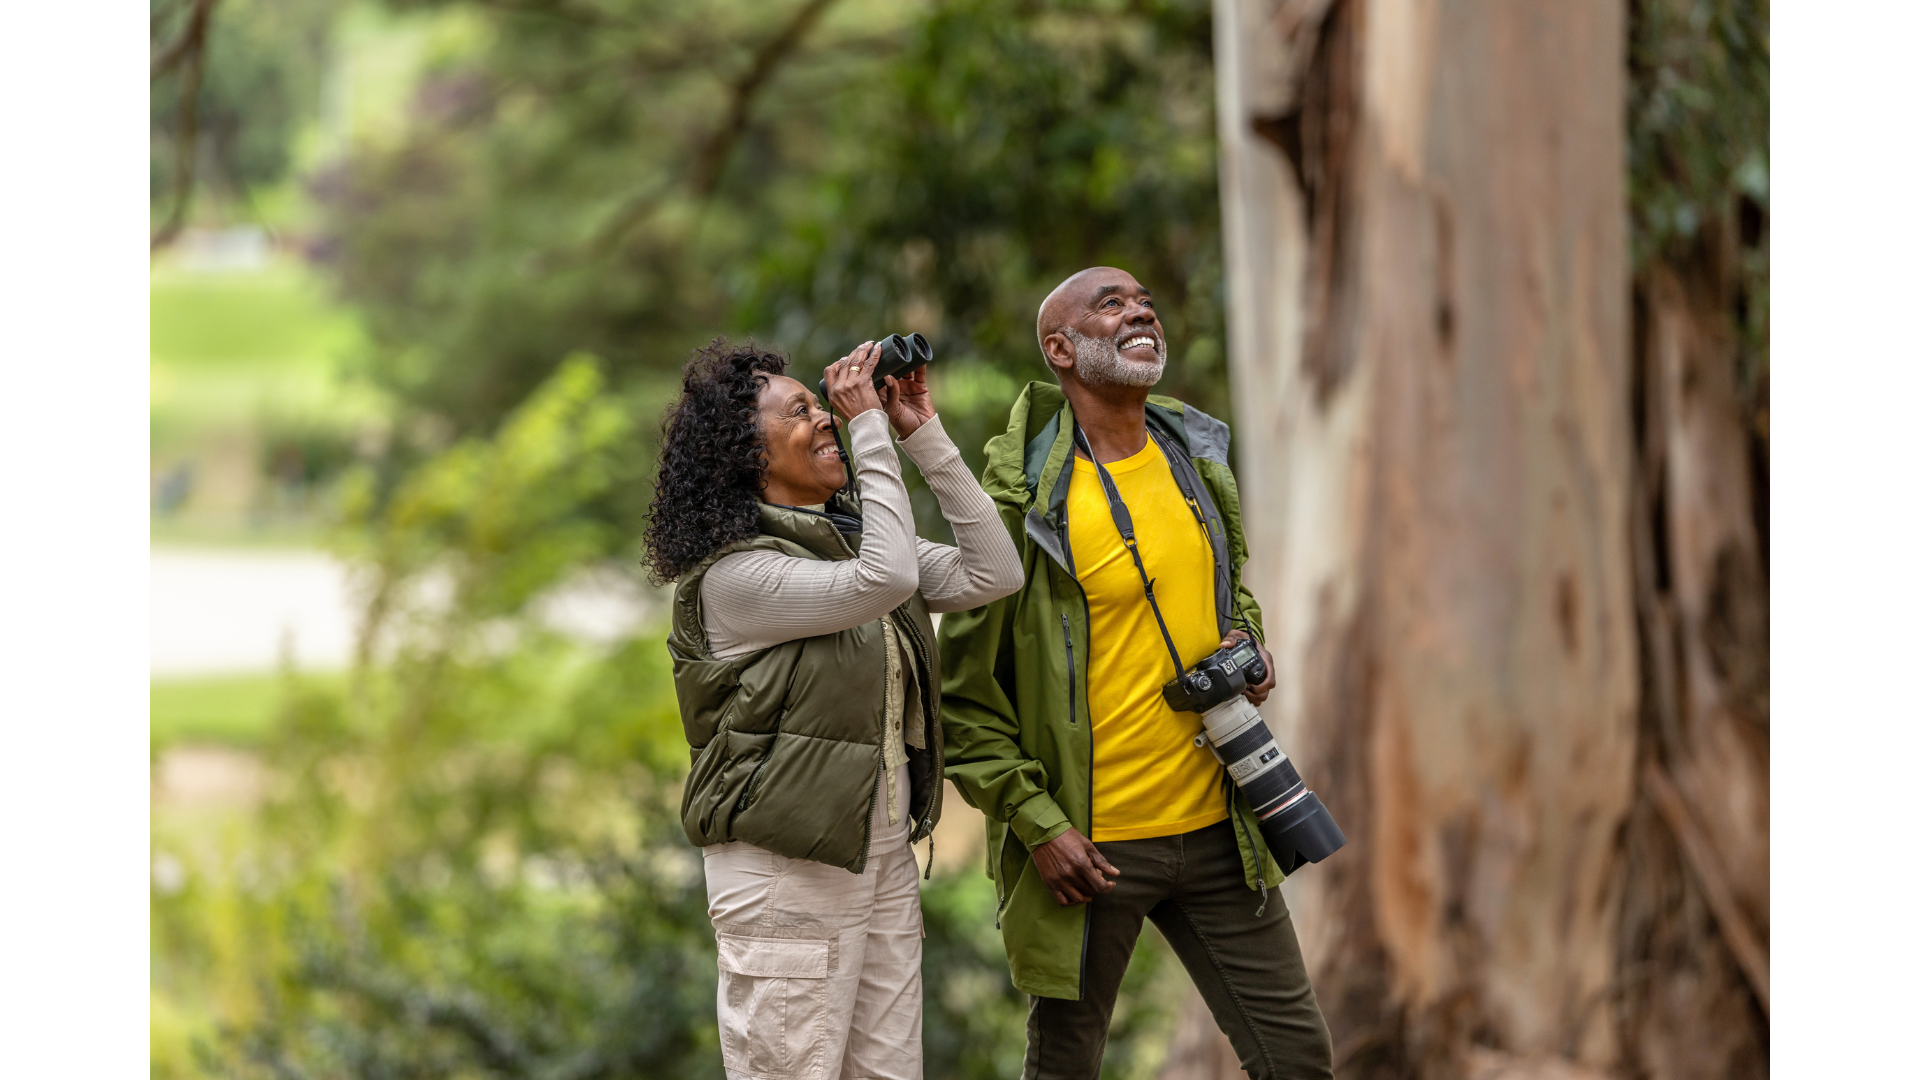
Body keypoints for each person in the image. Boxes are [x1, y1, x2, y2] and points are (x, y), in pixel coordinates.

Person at [938, 268, 1335, 1079]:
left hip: (1221, 825)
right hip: (1093, 847)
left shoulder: (1194, 454)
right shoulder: (1022, 501)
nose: (1141, 310)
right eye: (1110, 304)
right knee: (1066, 1069)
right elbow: (964, 699)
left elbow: (1229, 594)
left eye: (1145, 299)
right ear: (1062, 349)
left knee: (1298, 1060)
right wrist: (1038, 825)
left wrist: (1247, 645)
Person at [645, 337, 1023, 1080]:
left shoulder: (844, 542)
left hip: (876, 850)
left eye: (824, 406)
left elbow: (994, 570)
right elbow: (884, 581)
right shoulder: (735, 577)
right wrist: (867, 429)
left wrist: (920, 431)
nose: (825, 418)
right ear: (745, 457)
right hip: (785, 869)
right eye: (801, 411)